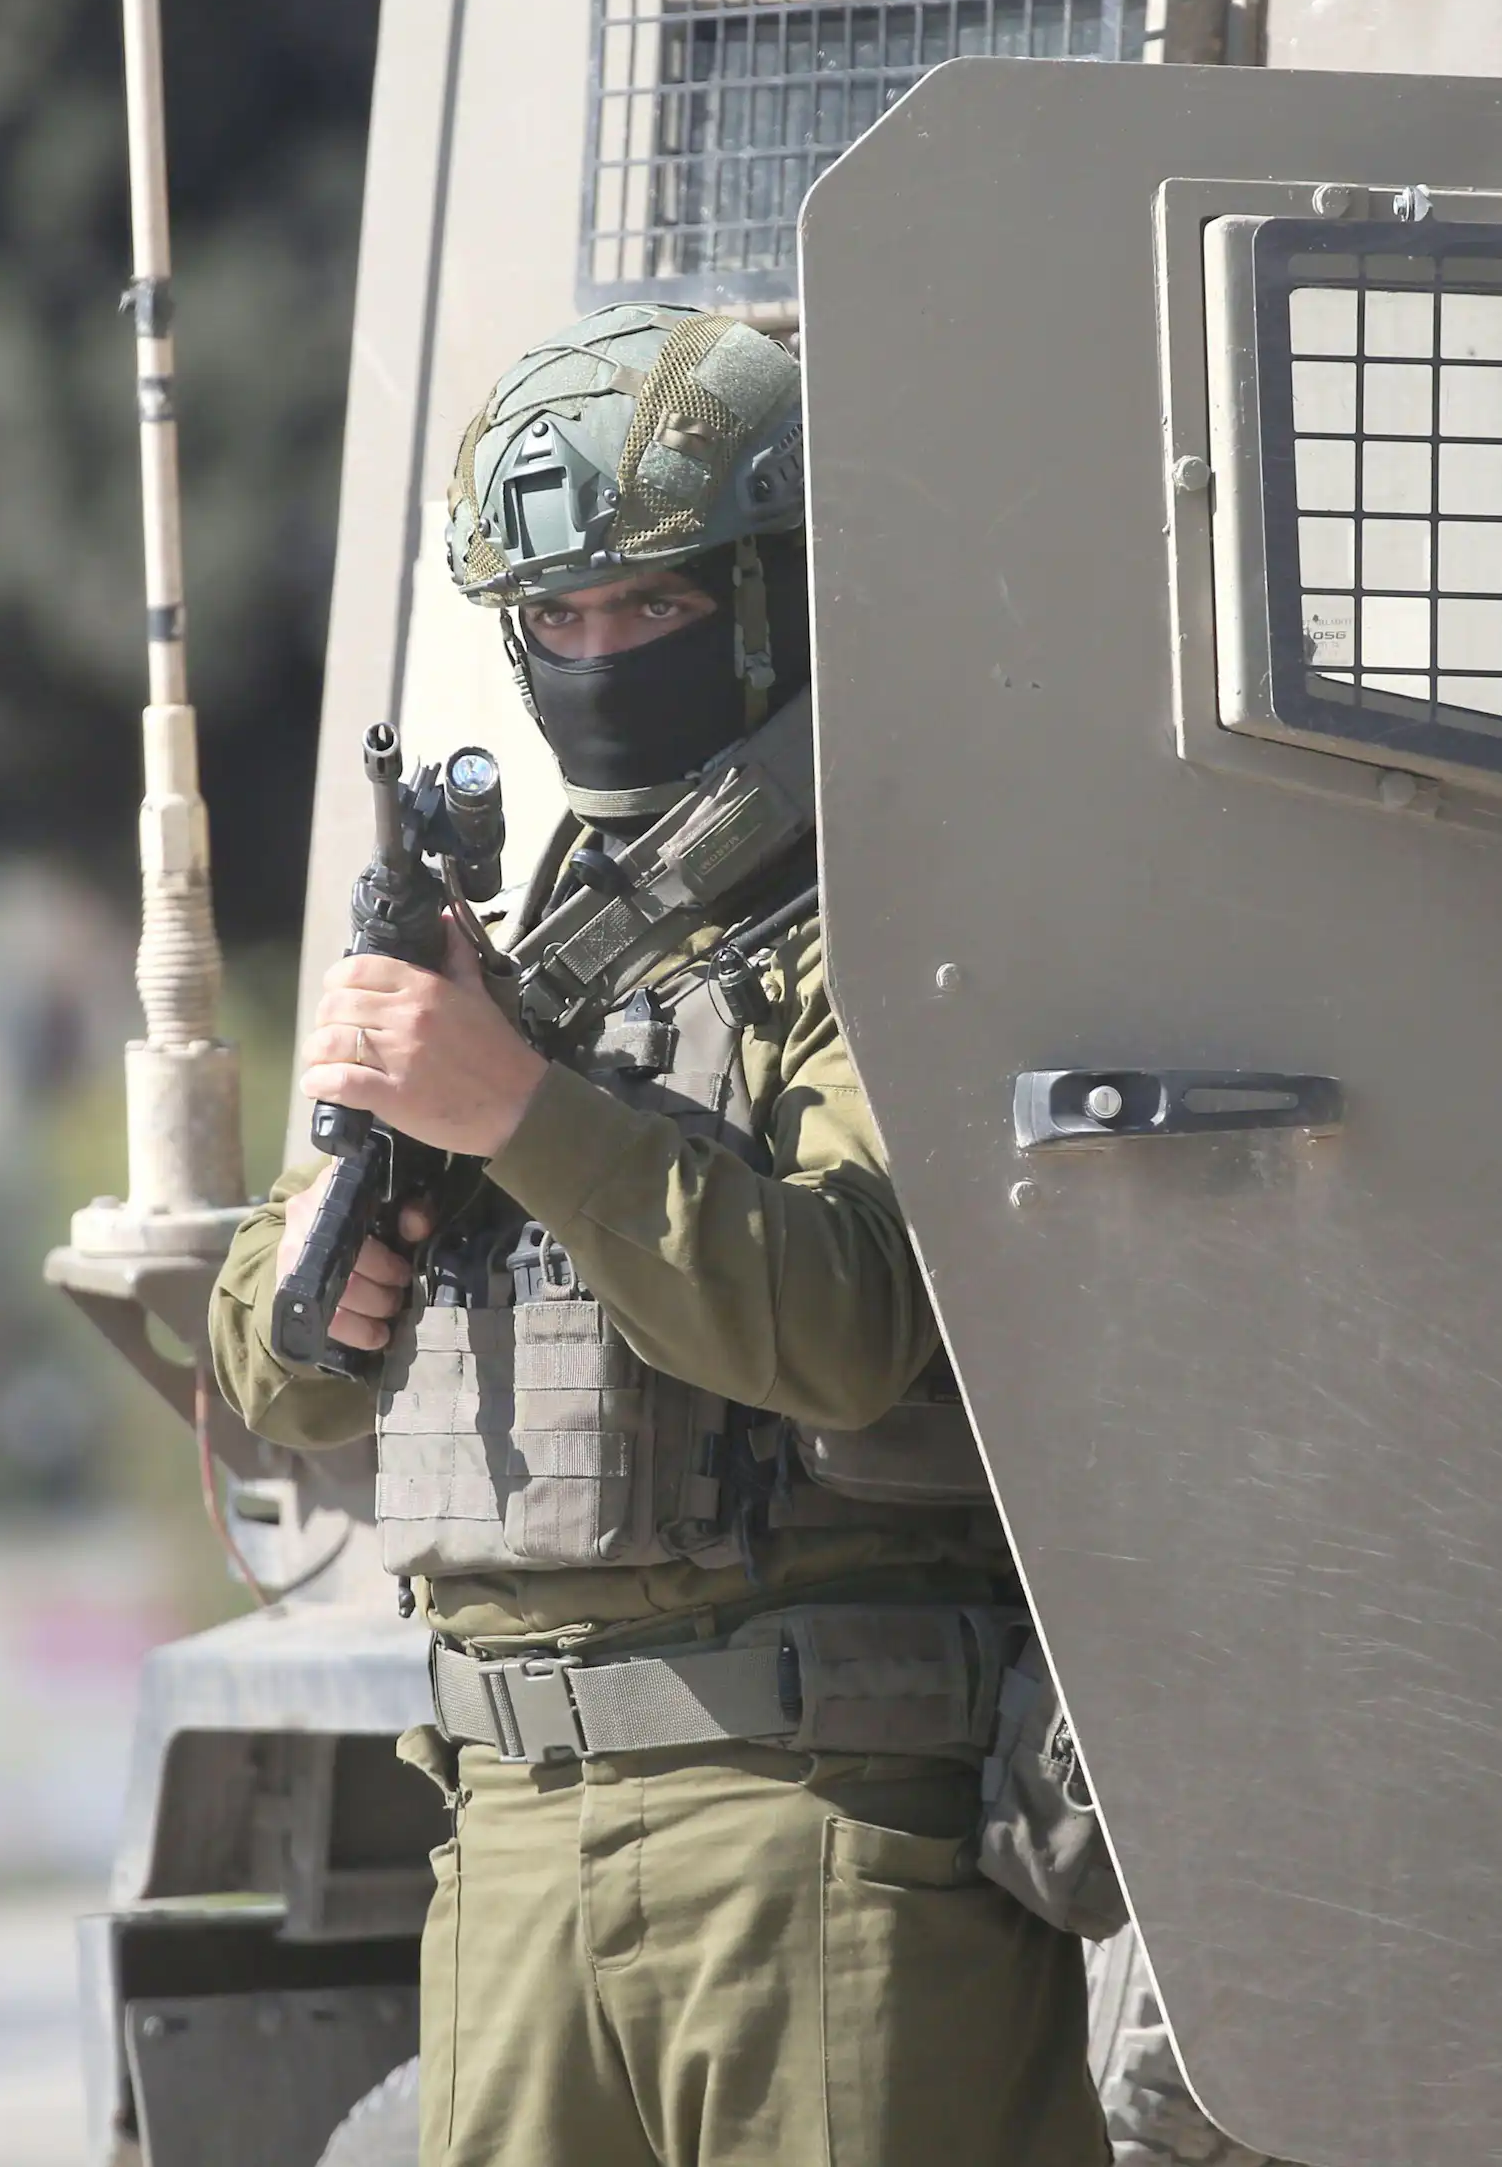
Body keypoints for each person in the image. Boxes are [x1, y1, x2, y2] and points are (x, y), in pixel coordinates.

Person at [211, 304, 1107, 2167]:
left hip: (815, 1825)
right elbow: (269, 1379)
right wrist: (323, 1280)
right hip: (512, 1833)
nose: (601, 657)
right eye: (560, 621)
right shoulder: (520, 947)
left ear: (774, 599)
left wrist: (519, 1114)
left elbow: (848, 1320)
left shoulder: (887, 926)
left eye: (659, 610)